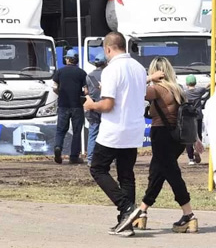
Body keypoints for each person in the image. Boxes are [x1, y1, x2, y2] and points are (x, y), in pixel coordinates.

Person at [84, 32, 151, 237]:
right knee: (126, 175)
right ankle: (126, 222)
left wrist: (91, 105)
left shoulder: (111, 69)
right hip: (134, 128)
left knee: (98, 168)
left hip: (114, 129)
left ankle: (126, 207)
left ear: (108, 49)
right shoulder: (139, 68)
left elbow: (107, 104)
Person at [132, 57, 203, 233]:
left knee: (171, 173)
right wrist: (196, 139)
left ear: (156, 71)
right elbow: (187, 118)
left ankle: (189, 215)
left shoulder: (156, 89)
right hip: (177, 138)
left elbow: (134, 91)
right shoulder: (178, 90)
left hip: (161, 135)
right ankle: (142, 211)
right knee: (157, 172)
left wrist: (148, 79)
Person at [51, 49, 87, 165]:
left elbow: (54, 87)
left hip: (63, 105)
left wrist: (60, 94)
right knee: (77, 132)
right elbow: (86, 90)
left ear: (67, 59)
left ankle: (58, 147)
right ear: (76, 60)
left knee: (61, 130)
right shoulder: (81, 73)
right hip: (77, 105)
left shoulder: (60, 72)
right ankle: (74, 157)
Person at [84, 53, 107, 166]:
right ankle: (110, 158)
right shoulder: (108, 75)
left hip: (92, 108)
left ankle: (90, 159)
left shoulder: (89, 76)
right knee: (108, 133)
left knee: (93, 132)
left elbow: (86, 92)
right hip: (106, 107)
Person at [183, 75, 207, 165]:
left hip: (188, 117)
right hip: (198, 116)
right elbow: (205, 88)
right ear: (195, 83)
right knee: (198, 135)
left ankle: (191, 159)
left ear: (186, 83)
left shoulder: (185, 93)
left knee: (188, 138)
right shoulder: (199, 91)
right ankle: (198, 149)